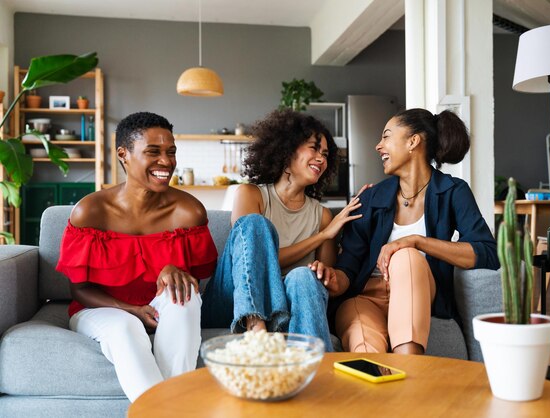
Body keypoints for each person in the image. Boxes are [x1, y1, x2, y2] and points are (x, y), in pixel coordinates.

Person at [56, 112, 218, 402]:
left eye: (171, 152)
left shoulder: (189, 212)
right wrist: (128, 308)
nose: (166, 162)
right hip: (100, 310)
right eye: (153, 152)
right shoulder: (90, 211)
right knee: (125, 327)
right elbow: (78, 289)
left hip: (159, 309)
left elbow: (196, 281)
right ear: (124, 155)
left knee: (185, 299)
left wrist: (174, 269)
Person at [329, 108, 499, 354]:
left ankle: (410, 370)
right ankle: (382, 387)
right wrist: (334, 279)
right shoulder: (370, 198)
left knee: (406, 256)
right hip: (365, 299)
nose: (378, 146)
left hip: (417, 290)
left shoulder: (452, 191)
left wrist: (416, 241)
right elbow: (349, 267)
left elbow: (486, 253)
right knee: (366, 353)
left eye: (386, 136)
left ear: (413, 141)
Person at [201, 109, 363, 351]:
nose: (321, 158)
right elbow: (253, 261)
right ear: (287, 151)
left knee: (303, 277)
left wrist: (323, 271)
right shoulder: (251, 194)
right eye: (314, 148)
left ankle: (317, 372)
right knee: (256, 225)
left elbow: (325, 286)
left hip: (284, 309)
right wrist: (321, 236)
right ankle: (256, 326)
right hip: (231, 301)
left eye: (326, 154)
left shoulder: (322, 216)